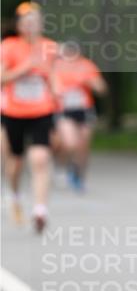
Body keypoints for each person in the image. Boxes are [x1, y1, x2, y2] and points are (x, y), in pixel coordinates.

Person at [0, 2, 58, 232]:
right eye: (27, 21)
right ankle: (14, 194)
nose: (32, 25)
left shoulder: (50, 47)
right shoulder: (9, 46)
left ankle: (40, 210)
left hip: (42, 110)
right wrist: (25, 68)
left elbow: (53, 76)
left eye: (36, 20)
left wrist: (56, 88)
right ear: (19, 25)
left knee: (40, 159)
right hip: (14, 112)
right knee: (15, 162)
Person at [53, 41, 107, 191]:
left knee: (83, 145)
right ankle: (63, 166)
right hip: (65, 110)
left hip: (84, 110)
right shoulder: (57, 67)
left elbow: (102, 88)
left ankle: (79, 175)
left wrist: (91, 82)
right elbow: (51, 86)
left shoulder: (86, 66)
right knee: (70, 143)